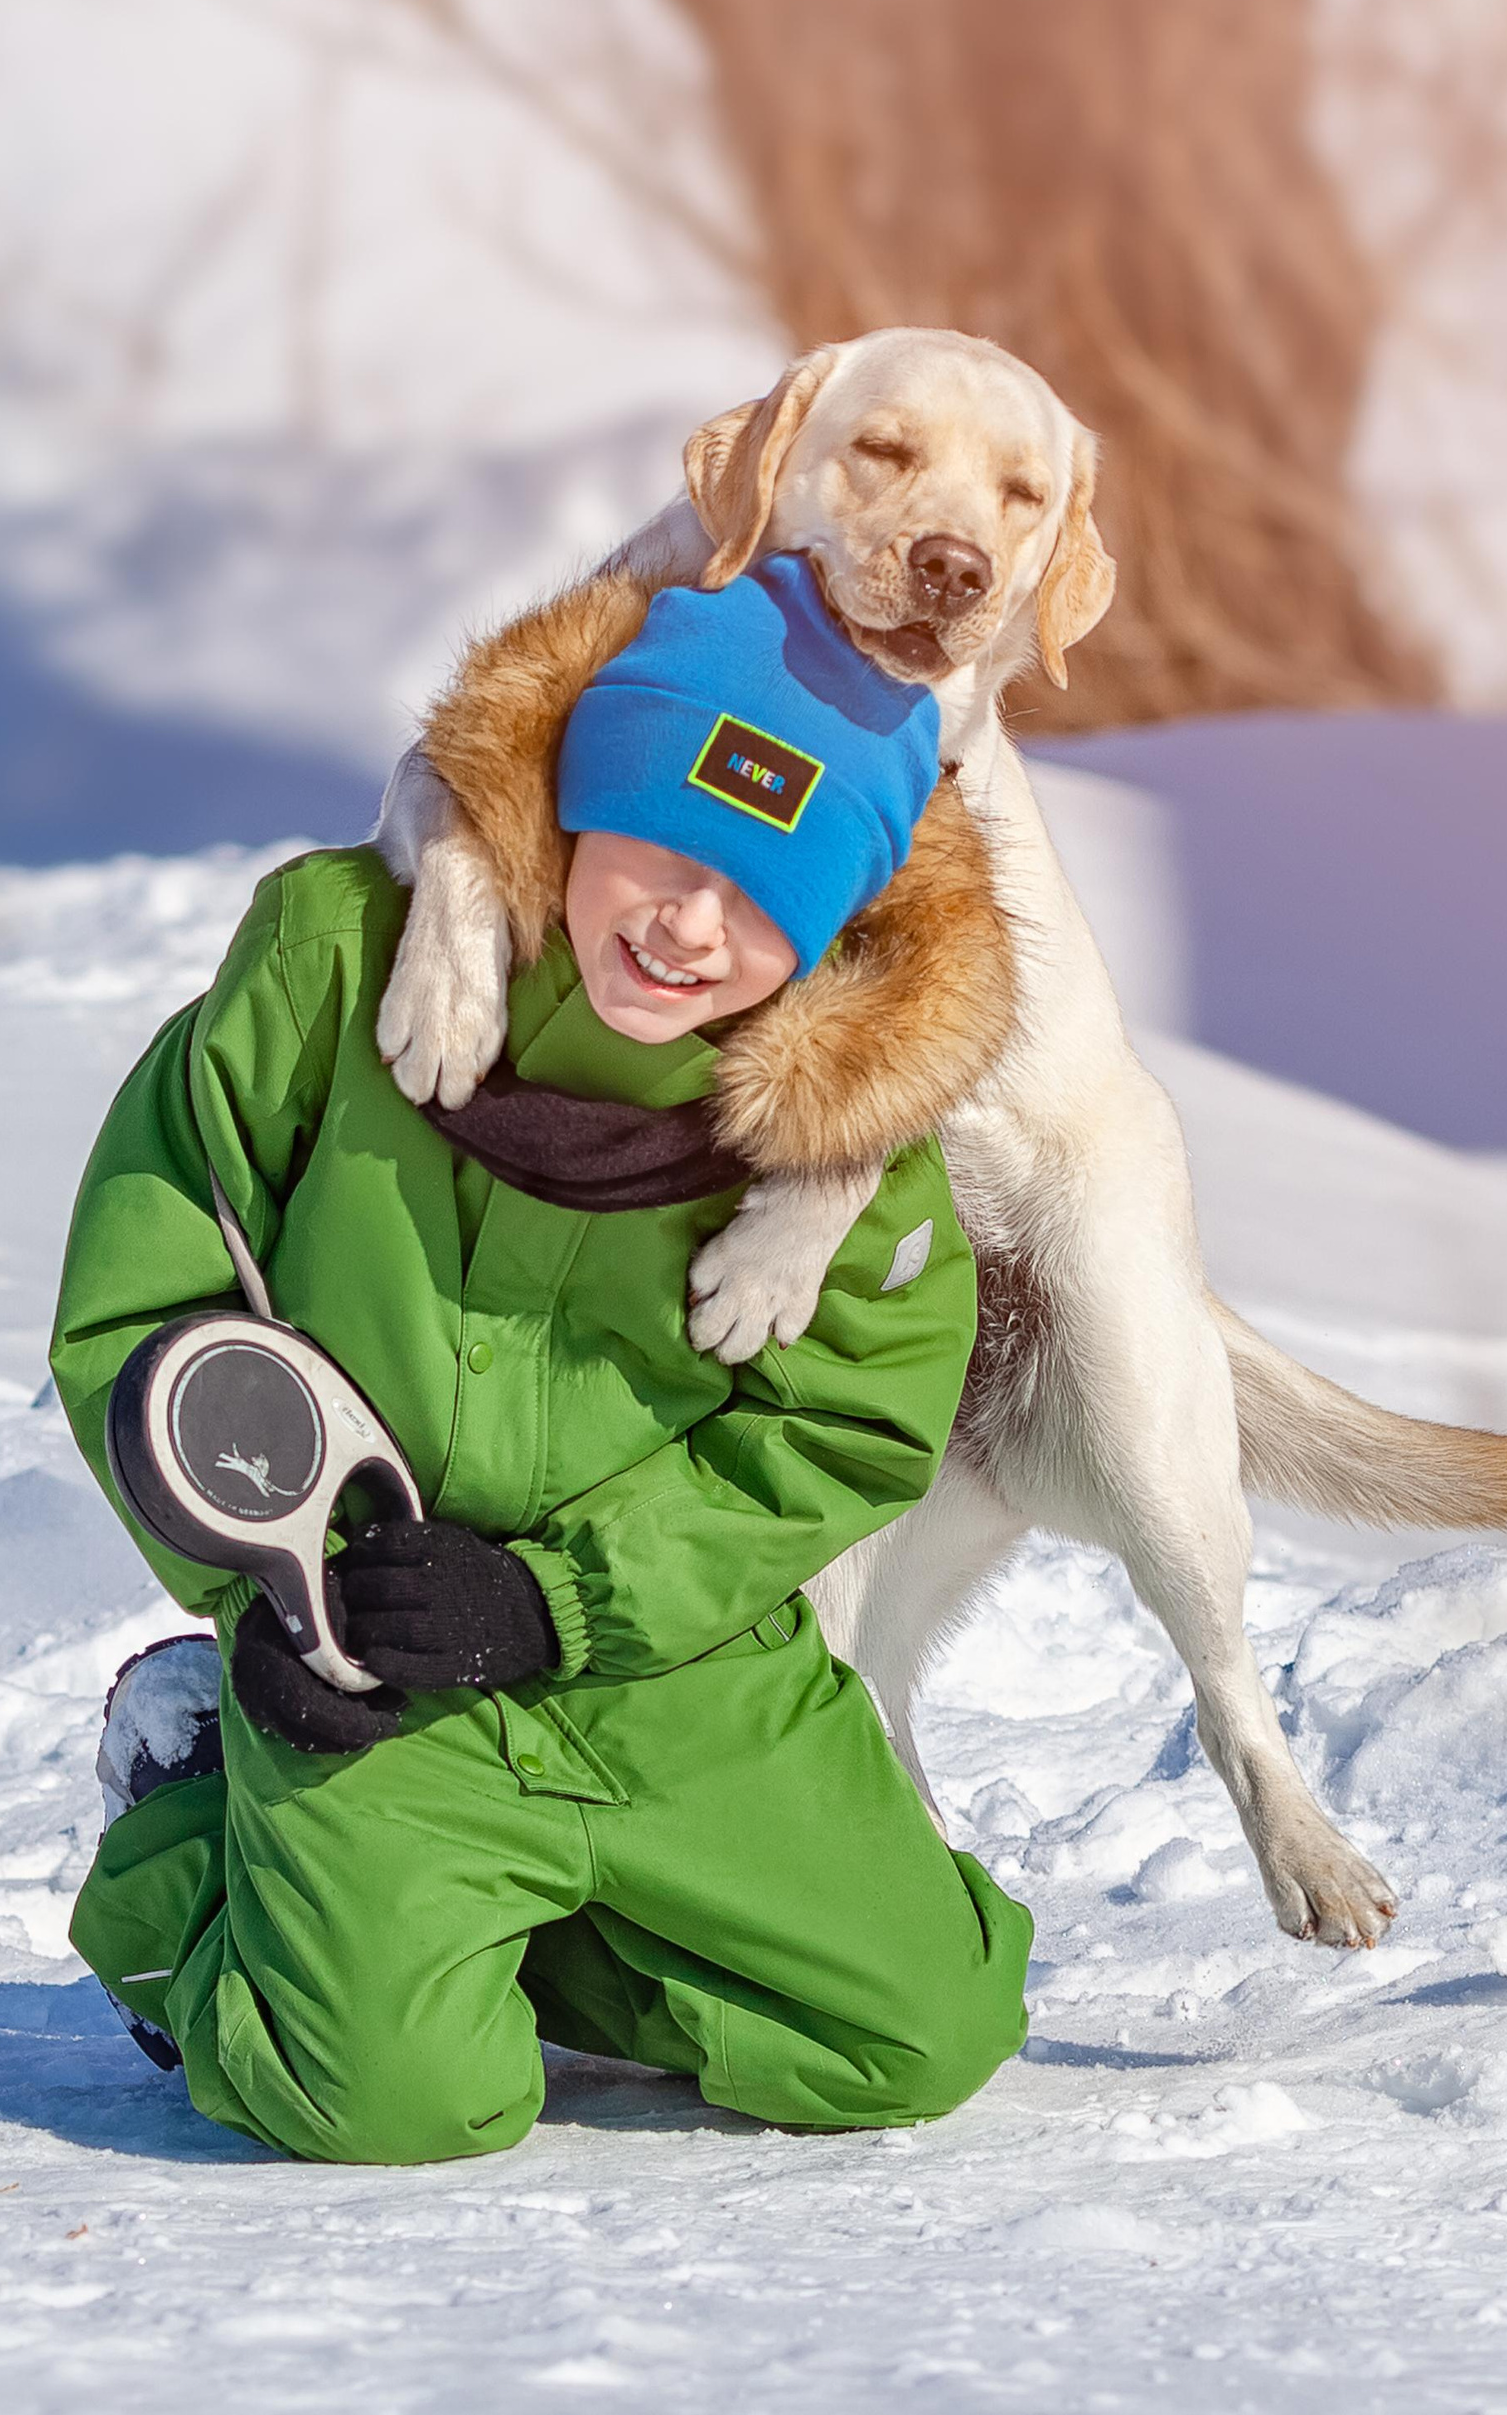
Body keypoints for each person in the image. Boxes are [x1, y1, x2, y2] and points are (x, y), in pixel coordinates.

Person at [53, 552, 1031, 2165]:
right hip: (363, 1650)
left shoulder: (847, 1156)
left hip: (666, 1677)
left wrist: (561, 1601)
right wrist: (265, 1597)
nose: (690, 930)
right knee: (385, 2104)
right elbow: (146, 1294)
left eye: (763, 896)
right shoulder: (335, 963)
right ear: (579, 801)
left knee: (919, 2032)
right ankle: (193, 1819)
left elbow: (841, 1430)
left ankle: (524, 1927)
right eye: (663, 844)